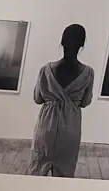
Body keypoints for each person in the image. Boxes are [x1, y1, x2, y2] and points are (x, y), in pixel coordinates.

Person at [28, 24, 95, 178]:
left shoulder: (45, 69)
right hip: (70, 128)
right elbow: (85, 102)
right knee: (64, 175)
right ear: (82, 44)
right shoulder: (88, 72)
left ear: (62, 42)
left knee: (37, 171)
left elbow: (37, 99)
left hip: (46, 126)